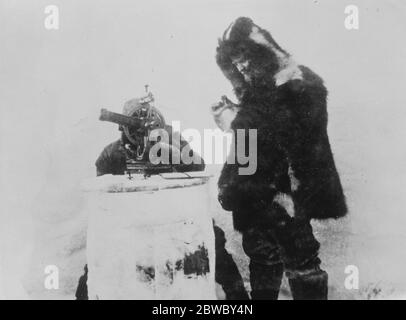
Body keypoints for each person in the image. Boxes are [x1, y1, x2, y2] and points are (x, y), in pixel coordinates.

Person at [213, 17, 347, 300]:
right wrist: (238, 116)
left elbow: (292, 136)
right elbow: (258, 133)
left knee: (301, 260)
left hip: (286, 194)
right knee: (262, 255)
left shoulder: (299, 82)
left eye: (245, 57)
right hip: (258, 194)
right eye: (235, 62)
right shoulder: (259, 88)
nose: (241, 66)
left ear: (262, 50)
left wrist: (236, 122)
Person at [75, 98, 249, 300]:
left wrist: (171, 149)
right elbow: (104, 199)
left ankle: (240, 300)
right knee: (99, 255)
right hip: (133, 222)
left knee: (213, 242)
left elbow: (198, 167)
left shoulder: (171, 140)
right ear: (122, 128)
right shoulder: (110, 155)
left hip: (175, 216)